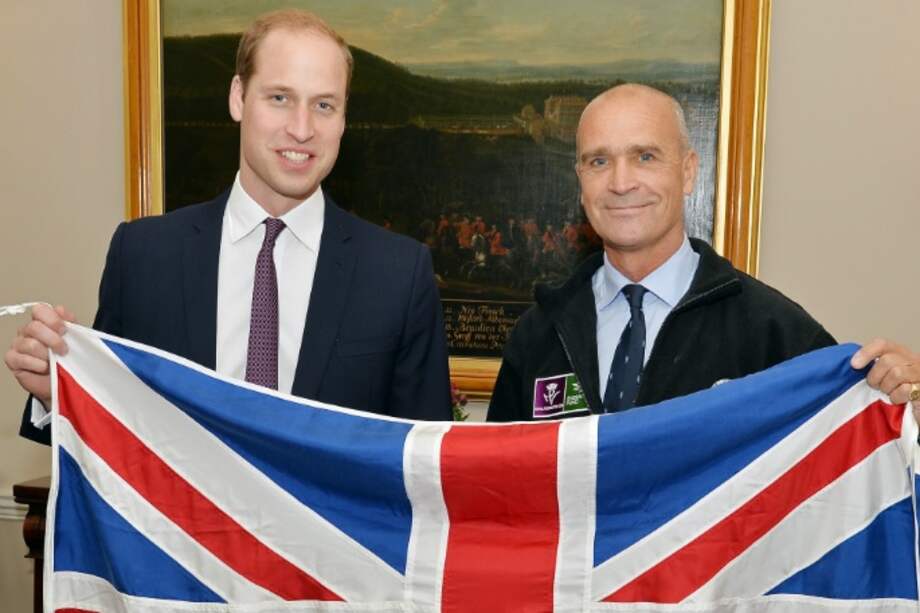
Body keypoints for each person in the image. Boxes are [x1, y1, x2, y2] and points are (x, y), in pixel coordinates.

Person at [6, 9, 452, 445]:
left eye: (324, 105)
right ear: (239, 97)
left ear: (343, 117)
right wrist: (58, 392)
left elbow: (423, 470)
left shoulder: (398, 275)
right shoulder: (144, 255)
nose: (302, 128)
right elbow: (117, 437)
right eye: (280, 98)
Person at [487, 83, 919, 421]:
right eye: (599, 161)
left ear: (689, 172)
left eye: (645, 157)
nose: (621, 182)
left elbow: (846, 479)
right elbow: (497, 495)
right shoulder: (539, 335)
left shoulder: (772, 333)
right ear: (580, 180)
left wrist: (911, 406)